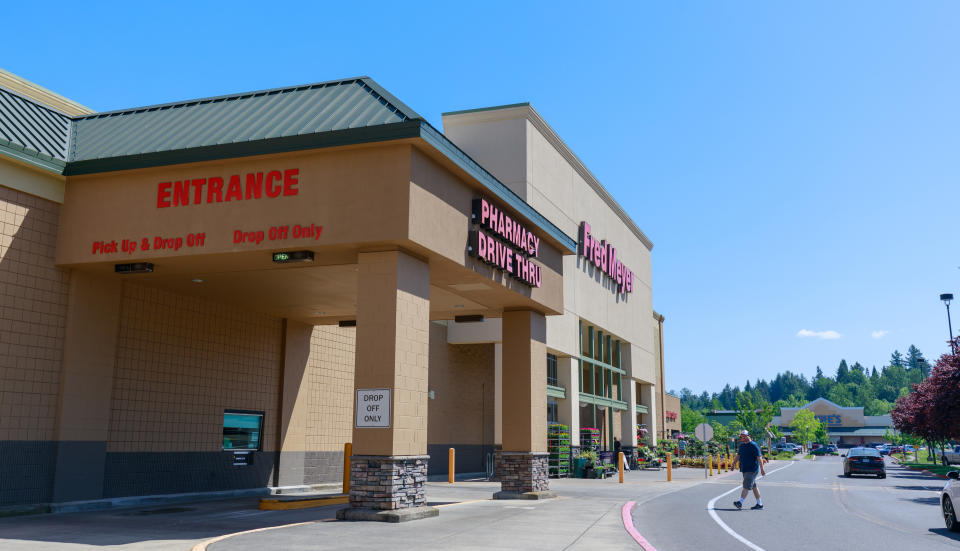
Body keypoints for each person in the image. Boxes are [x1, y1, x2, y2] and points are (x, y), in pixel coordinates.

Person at [732, 430, 766, 510]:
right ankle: (759, 504)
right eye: (742, 436)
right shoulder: (742, 445)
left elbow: (759, 457)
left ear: (748, 436)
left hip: (752, 469)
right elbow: (738, 455)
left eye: (744, 436)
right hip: (744, 469)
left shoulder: (753, 445)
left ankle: (740, 502)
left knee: (746, 486)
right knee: (754, 487)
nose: (743, 437)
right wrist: (733, 464)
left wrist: (762, 468)